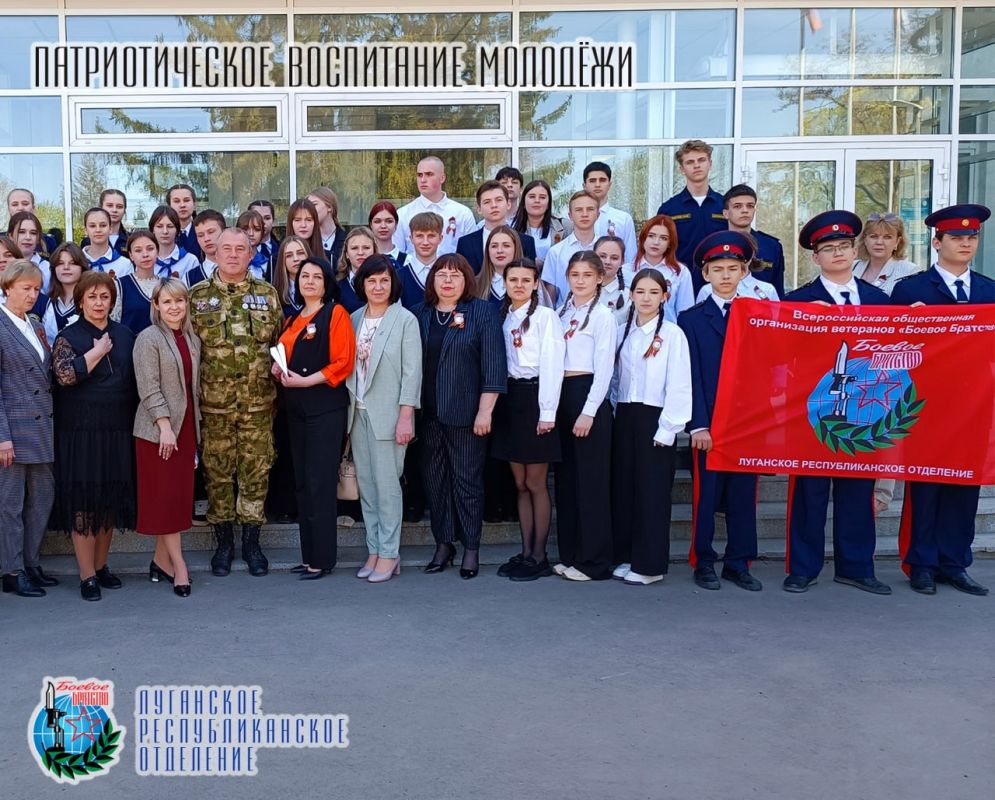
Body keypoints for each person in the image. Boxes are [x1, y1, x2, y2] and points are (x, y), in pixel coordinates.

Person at [784, 210, 892, 595]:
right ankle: (803, 568)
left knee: (857, 492)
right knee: (810, 494)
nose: (838, 253)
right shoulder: (797, 301)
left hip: (864, 408)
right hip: (814, 412)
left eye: (844, 246)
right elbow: (781, 356)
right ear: (816, 257)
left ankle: (857, 567)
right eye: (828, 249)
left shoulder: (880, 301)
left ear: (854, 250)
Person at [892, 203, 993, 596]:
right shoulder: (910, 290)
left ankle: (954, 563)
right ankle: (921, 563)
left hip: (974, 403)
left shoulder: (989, 290)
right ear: (937, 242)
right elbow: (891, 349)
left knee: (965, 486)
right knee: (926, 485)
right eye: (956, 237)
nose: (965, 243)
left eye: (972, 237)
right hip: (926, 403)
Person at [190, 228, 281, 577]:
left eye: (240, 249)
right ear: (214, 252)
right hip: (214, 408)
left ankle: (252, 544)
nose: (232, 254)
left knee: (256, 472)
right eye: (225, 248)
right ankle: (224, 544)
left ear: (250, 254)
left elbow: (278, 345)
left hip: (258, 406)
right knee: (218, 474)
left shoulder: (267, 295)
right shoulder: (197, 296)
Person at [678, 231, 765, 592]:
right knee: (707, 496)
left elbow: (767, 369)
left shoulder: (759, 315)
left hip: (747, 421)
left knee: (744, 497)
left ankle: (739, 562)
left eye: (732, 268)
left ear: (744, 272)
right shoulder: (691, 319)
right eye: (717, 269)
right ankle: (704, 561)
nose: (725, 275)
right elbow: (691, 375)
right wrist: (698, 424)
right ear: (705, 274)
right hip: (710, 422)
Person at [412, 253, 506, 579]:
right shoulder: (419, 314)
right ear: (432, 280)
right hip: (427, 415)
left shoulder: (481, 312)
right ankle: (444, 544)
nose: (448, 281)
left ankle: (471, 548)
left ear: (467, 280)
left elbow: (494, 366)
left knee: (467, 483)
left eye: (455, 275)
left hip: (467, 416)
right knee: (435, 483)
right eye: (442, 275)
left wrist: (485, 411)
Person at [52, 270, 138, 601]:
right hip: (80, 432)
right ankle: (86, 575)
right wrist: (98, 351)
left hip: (117, 429)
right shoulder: (68, 336)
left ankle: (101, 567)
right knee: (84, 504)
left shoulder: (126, 335)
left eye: (105, 297)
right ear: (80, 301)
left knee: (109, 502)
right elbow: (64, 376)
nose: (99, 303)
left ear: (112, 301)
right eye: (92, 297)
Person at [273, 257, 355, 580]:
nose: (309, 281)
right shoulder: (293, 318)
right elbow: (284, 353)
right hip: (296, 409)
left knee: (320, 483)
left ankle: (322, 559)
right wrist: (277, 367)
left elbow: (343, 361)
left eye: (316, 276)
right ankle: (309, 556)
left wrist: (307, 381)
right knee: (303, 484)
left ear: (326, 283)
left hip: (325, 408)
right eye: (304, 276)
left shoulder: (335, 313)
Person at [612, 269, 692, 585]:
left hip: (655, 417)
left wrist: (668, 427)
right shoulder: (623, 331)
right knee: (625, 490)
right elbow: (616, 379)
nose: (646, 298)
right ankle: (627, 556)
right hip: (625, 415)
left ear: (664, 297)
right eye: (641, 292)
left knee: (652, 493)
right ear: (631, 295)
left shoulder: (673, 334)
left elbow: (680, 383)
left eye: (653, 292)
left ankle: (650, 565)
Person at [346, 255, 422, 583]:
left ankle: (390, 553)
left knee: (388, 487)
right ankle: (374, 550)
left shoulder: (404, 320)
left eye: (384, 281)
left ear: (393, 285)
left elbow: (412, 372)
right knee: (367, 487)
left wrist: (406, 416)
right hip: (357, 412)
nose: (378, 287)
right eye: (371, 280)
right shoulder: (354, 318)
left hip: (389, 415)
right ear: (362, 284)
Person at [492, 258, 564, 581]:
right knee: (519, 484)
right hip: (511, 400)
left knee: (536, 483)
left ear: (536, 284)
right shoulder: (502, 316)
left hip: (536, 399)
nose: (519, 285)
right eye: (513, 280)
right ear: (504, 283)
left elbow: (553, 364)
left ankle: (539, 555)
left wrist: (547, 412)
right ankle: (525, 551)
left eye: (525, 280)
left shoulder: (546, 317)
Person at [133, 279, 201, 598]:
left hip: (186, 429)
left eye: (180, 301)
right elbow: (148, 387)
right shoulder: (149, 338)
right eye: (167, 302)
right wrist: (164, 426)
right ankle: (179, 566)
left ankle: (160, 562)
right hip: (159, 431)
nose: (174, 307)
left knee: (174, 500)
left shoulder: (191, 338)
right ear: (156, 306)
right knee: (165, 500)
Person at [553, 251, 616, 581]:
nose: (580, 281)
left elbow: (604, 369)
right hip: (562, 395)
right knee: (568, 482)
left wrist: (588, 411)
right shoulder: (562, 312)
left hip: (587, 395)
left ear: (599, 278)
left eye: (587, 275)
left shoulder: (603, 316)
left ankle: (595, 561)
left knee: (591, 483)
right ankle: (572, 554)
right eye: (575, 275)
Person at [852, 212, 920, 515]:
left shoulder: (910, 272)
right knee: (860, 417)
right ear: (865, 240)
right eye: (874, 236)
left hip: (891, 360)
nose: (879, 242)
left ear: (898, 241)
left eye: (887, 237)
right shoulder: (854, 267)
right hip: (858, 358)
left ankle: (882, 490)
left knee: (888, 423)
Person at [0, 259, 55, 597]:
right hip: (12, 432)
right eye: (25, 288)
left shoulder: (34, 324)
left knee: (42, 499)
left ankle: (31, 563)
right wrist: (2, 437)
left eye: (36, 289)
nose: (32, 294)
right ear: (8, 288)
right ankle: (12, 569)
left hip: (42, 429)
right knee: (11, 505)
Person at [657, 139, 727, 290]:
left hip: (720, 282)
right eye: (690, 162)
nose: (696, 165)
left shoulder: (725, 205)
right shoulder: (669, 209)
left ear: (710, 164)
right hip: (680, 282)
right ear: (682, 169)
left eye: (701, 160)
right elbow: (660, 249)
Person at [395, 156, 476, 256]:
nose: (423, 180)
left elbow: (471, 253)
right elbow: (398, 254)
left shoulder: (463, 213)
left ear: (442, 178)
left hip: (453, 266)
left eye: (429, 174)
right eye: (419, 175)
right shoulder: (403, 214)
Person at [457, 181, 536, 273]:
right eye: (487, 202)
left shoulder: (526, 242)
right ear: (479, 209)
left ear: (508, 204)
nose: (494, 205)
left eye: (499, 200)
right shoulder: (465, 243)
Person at [721, 184, 785, 297]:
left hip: (761, 306)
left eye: (750, 206)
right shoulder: (714, 244)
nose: (745, 210)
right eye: (737, 206)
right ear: (726, 213)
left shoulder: (771, 246)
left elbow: (778, 289)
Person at [630, 215, 695, 323]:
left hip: (668, 331)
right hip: (632, 330)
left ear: (670, 243)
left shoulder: (680, 272)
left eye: (663, 238)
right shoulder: (626, 270)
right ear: (642, 238)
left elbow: (685, 313)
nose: (656, 242)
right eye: (651, 236)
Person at [542, 190, 600, 305]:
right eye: (579, 210)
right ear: (570, 216)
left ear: (598, 214)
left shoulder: (606, 251)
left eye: (590, 209)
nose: (584, 214)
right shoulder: (556, 252)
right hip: (565, 314)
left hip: (600, 314)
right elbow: (549, 298)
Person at [34, 243, 87, 345]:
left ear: (82, 267)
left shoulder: (90, 302)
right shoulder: (44, 303)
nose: (66, 267)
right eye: (60, 263)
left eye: (72, 263)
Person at [585, 161, 637, 262]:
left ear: (609, 184)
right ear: (584, 185)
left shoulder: (624, 219)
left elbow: (630, 258)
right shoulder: (576, 218)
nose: (597, 185)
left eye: (602, 180)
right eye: (592, 181)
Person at [512, 179, 572, 269]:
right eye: (532, 197)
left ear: (548, 204)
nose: (537, 201)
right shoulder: (513, 231)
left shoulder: (565, 226)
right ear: (523, 202)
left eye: (542, 197)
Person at [114, 230, 160, 335]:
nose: (145, 254)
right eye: (138, 250)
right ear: (131, 255)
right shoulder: (120, 285)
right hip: (130, 344)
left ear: (157, 251)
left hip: (161, 344)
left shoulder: (165, 285)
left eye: (150, 249)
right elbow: (114, 323)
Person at [397, 211, 442, 309]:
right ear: (411, 238)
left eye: (431, 236)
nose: (425, 242)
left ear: (440, 238)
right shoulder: (399, 276)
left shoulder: (449, 275)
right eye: (419, 236)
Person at [475, 225, 523, 307]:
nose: (499, 251)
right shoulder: (475, 284)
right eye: (494, 246)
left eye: (506, 246)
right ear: (488, 251)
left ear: (516, 248)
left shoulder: (529, 283)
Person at [149, 206, 200, 281]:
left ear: (177, 230)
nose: (165, 231)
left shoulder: (190, 261)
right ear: (153, 230)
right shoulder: (146, 260)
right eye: (159, 226)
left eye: (170, 226)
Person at [81, 207, 134, 278]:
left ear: (110, 229)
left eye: (103, 225)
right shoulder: (76, 262)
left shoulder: (125, 265)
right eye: (92, 226)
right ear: (85, 230)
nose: (98, 230)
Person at [336, 226, 377, 313]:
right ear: (346, 254)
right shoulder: (337, 287)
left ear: (374, 251)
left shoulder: (386, 283)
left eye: (366, 248)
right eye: (354, 248)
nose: (360, 253)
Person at [7, 211, 51, 292]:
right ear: (10, 236)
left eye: (33, 233)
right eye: (21, 232)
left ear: (38, 238)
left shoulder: (47, 269)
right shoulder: (4, 265)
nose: (28, 237)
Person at [80, 189, 130, 257]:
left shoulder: (131, 240)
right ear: (101, 207)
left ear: (124, 210)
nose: (114, 210)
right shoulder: (88, 241)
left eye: (119, 207)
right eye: (110, 205)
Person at [6, 188, 57, 253]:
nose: (20, 208)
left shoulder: (48, 241)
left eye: (25, 204)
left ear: (33, 208)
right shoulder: (1, 240)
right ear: (9, 209)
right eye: (15, 204)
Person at [272, 235, 310, 318]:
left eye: (300, 253)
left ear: (308, 255)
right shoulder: (274, 293)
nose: (296, 259)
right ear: (283, 261)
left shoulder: (320, 289)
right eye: (289, 255)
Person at [308, 187, 347, 266]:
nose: (310, 210)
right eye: (309, 206)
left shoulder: (347, 239)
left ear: (329, 207)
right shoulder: (307, 240)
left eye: (314, 204)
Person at [594, 235, 629, 318]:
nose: (607, 262)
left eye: (614, 258)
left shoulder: (627, 296)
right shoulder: (580, 288)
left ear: (622, 262)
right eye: (602, 256)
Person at [189, 209, 227, 286]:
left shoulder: (244, 270)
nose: (206, 239)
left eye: (211, 232)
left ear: (224, 232)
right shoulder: (189, 278)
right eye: (200, 235)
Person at [166, 183, 202, 261]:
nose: (182, 205)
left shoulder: (204, 232)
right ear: (169, 206)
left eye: (186, 200)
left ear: (194, 205)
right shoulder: (163, 234)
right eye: (176, 201)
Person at [369, 201, 408, 269]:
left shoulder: (407, 261)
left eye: (389, 221)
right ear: (371, 225)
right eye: (377, 221)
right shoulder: (365, 258)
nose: (383, 226)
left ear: (396, 224)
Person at [237, 209, 270, 281]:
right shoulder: (231, 260)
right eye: (246, 229)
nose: (251, 233)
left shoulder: (268, 263)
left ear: (262, 233)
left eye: (257, 229)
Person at [249, 199, 280, 276]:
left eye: (267, 218)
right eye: (257, 217)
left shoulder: (282, 248)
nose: (262, 222)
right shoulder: (239, 250)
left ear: (274, 221)